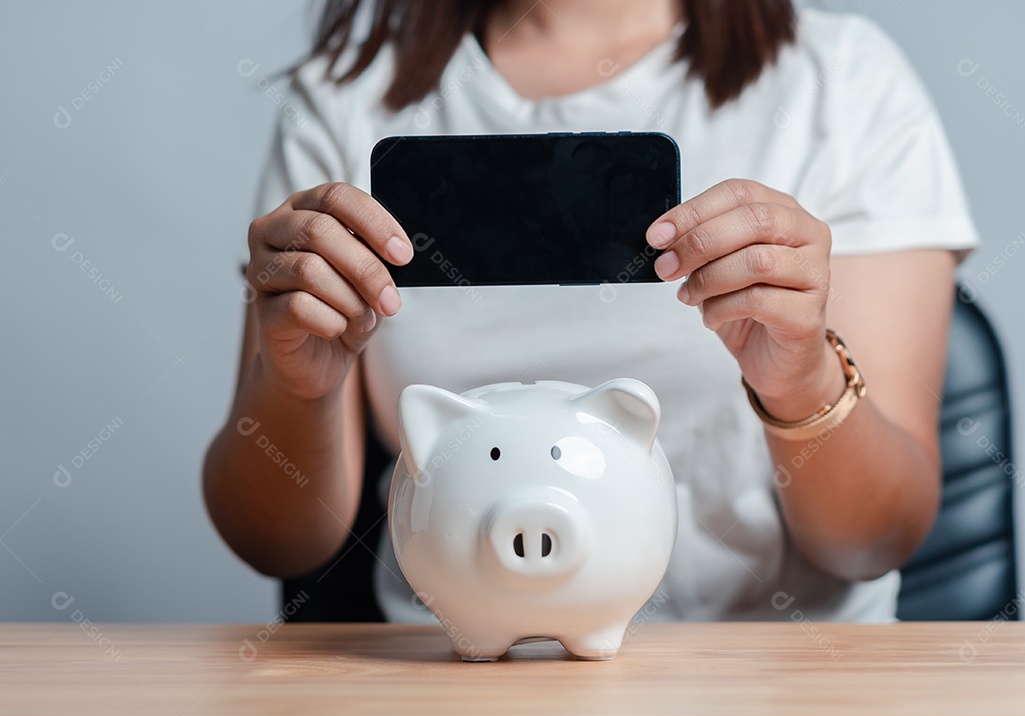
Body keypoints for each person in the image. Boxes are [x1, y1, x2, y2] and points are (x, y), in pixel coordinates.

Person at [203, 0, 977, 622]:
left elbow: (876, 540)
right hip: (450, 678)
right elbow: (278, 542)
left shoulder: (843, 84)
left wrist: (801, 379)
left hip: (769, 675)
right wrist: (295, 385)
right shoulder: (348, 95)